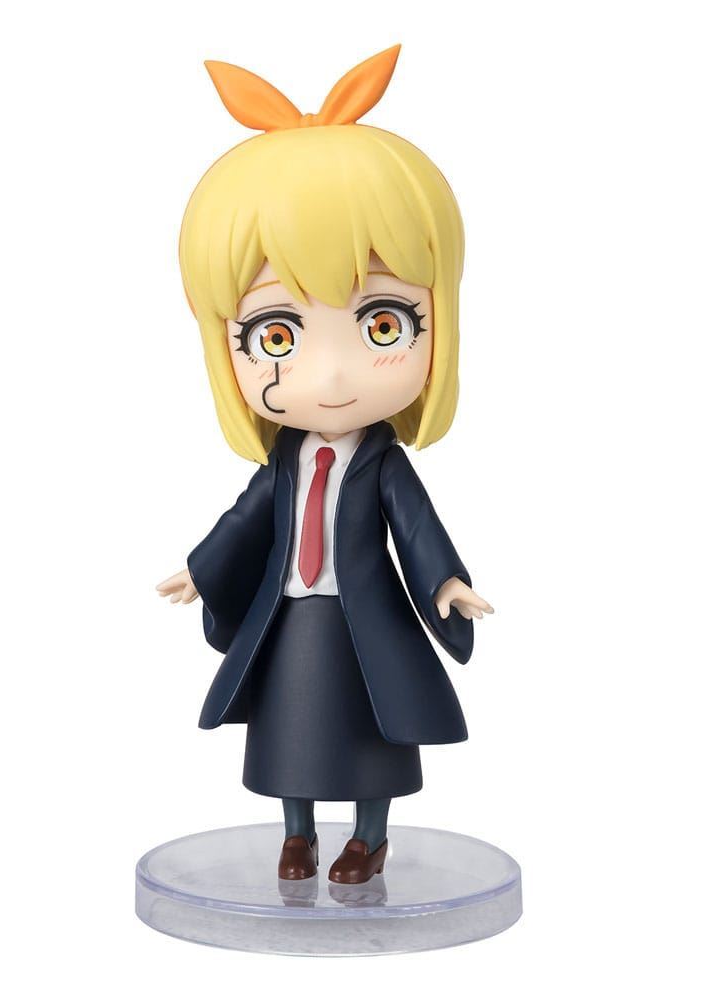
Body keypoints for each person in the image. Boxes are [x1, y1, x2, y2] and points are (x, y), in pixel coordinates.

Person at [157, 45, 492, 884]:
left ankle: (369, 837)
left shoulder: (383, 464)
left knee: (375, 735)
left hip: (364, 618)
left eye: (383, 325)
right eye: (276, 334)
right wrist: (204, 568)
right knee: (289, 735)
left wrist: (446, 582)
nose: (333, 375)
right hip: (295, 616)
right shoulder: (285, 458)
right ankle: (298, 833)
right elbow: (246, 518)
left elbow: (416, 527)